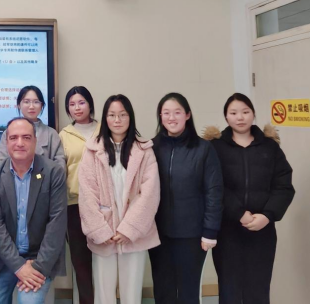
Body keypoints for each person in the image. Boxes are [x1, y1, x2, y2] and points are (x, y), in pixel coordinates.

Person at [203, 93, 295, 304]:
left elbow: (284, 186)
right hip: (228, 230)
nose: (240, 117)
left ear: (253, 114)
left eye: (245, 112)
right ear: (226, 117)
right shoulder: (215, 148)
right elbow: (214, 186)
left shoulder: (270, 147)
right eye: (233, 113)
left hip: (262, 230)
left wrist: (267, 215)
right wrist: (238, 213)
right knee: (229, 288)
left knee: (259, 288)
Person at [78, 94, 160, 304]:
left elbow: (149, 194)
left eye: (122, 115)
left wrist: (129, 229)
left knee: (131, 295)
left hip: (134, 236)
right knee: (103, 294)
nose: (117, 120)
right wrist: (100, 230)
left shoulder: (144, 150)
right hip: (103, 234)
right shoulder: (92, 150)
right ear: (105, 118)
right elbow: (87, 193)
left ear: (130, 117)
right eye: (112, 115)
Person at [0, 117, 67, 304]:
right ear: (6, 142)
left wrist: (38, 267)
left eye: (26, 137)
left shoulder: (53, 173)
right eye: (13, 138)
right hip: (4, 259)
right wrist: (19, 266)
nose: (19, 143)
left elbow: (57, 225)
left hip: (40, 258)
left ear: (35, 141)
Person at [148, 93, 223, 304]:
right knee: (163, 290)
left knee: (188, 292)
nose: (171, 118)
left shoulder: (204, 149)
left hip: (192, 235)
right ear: (160, 116)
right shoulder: (151, 147)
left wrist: (210, 231)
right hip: (158, 233)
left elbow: (214, 192)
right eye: (166, 113)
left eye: (177, 112)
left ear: (187, 115)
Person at [58, 86, 98, 304]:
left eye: (81, 102)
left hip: (104, 205)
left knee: (104, 262)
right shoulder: (63, 135)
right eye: (72, 104)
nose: (77, 108)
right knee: (81, 263)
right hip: (74, 205)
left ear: (90, 104)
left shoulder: (105, 129)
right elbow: (61, 171)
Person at [0, 85, 64, 170]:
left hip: (46, 178)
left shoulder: (51, 134)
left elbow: (60, 167)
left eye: (36, 102)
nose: (31, 106)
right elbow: (0, 163)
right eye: (26, 102)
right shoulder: (9, 132)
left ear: (42, 105)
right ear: (19, 105)